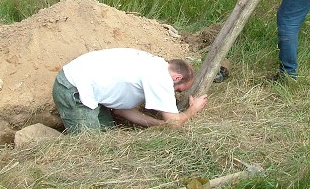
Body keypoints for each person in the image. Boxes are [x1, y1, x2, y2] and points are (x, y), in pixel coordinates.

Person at [52, 48, 208, 133]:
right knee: (90, 144)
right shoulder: (159, 77)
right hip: (73, 89)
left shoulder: (155, 65)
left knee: (110, 135)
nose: (174, 93)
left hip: (88, 89)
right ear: (177, 78)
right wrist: (193, 109)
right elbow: (174, 122)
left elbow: (122, 111)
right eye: (178, 90)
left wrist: (158, 124)